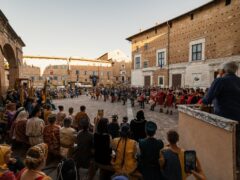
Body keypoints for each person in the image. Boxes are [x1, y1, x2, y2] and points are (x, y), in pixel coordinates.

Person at [202, 61, 240, 166]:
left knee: (223, 146)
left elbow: (207, 99)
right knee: (237, 145)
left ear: (223, 70)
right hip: (238, 118)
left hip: (224, 119)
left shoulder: (220, 81)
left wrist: (219, 77)